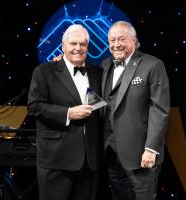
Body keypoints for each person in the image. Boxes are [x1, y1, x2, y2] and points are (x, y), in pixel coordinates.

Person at [27, 24, 103, 200]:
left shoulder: (98, 72)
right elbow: (34, 106)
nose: (78, 48)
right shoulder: (44, 72)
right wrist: (68, 113)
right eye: (73, 43)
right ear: (63, 46)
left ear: (88, 47)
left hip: (90, 161)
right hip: (56, 160)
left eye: (83, 44)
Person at [102, 21, 170, 200]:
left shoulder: (153, 65)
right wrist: (61, 61)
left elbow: (160, 109)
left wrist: (151, 148)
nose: (116, 44)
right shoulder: (104, 66)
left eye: (121, 39)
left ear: (134, 40)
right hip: (111, 152)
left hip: (141, 154)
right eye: (112, 40)